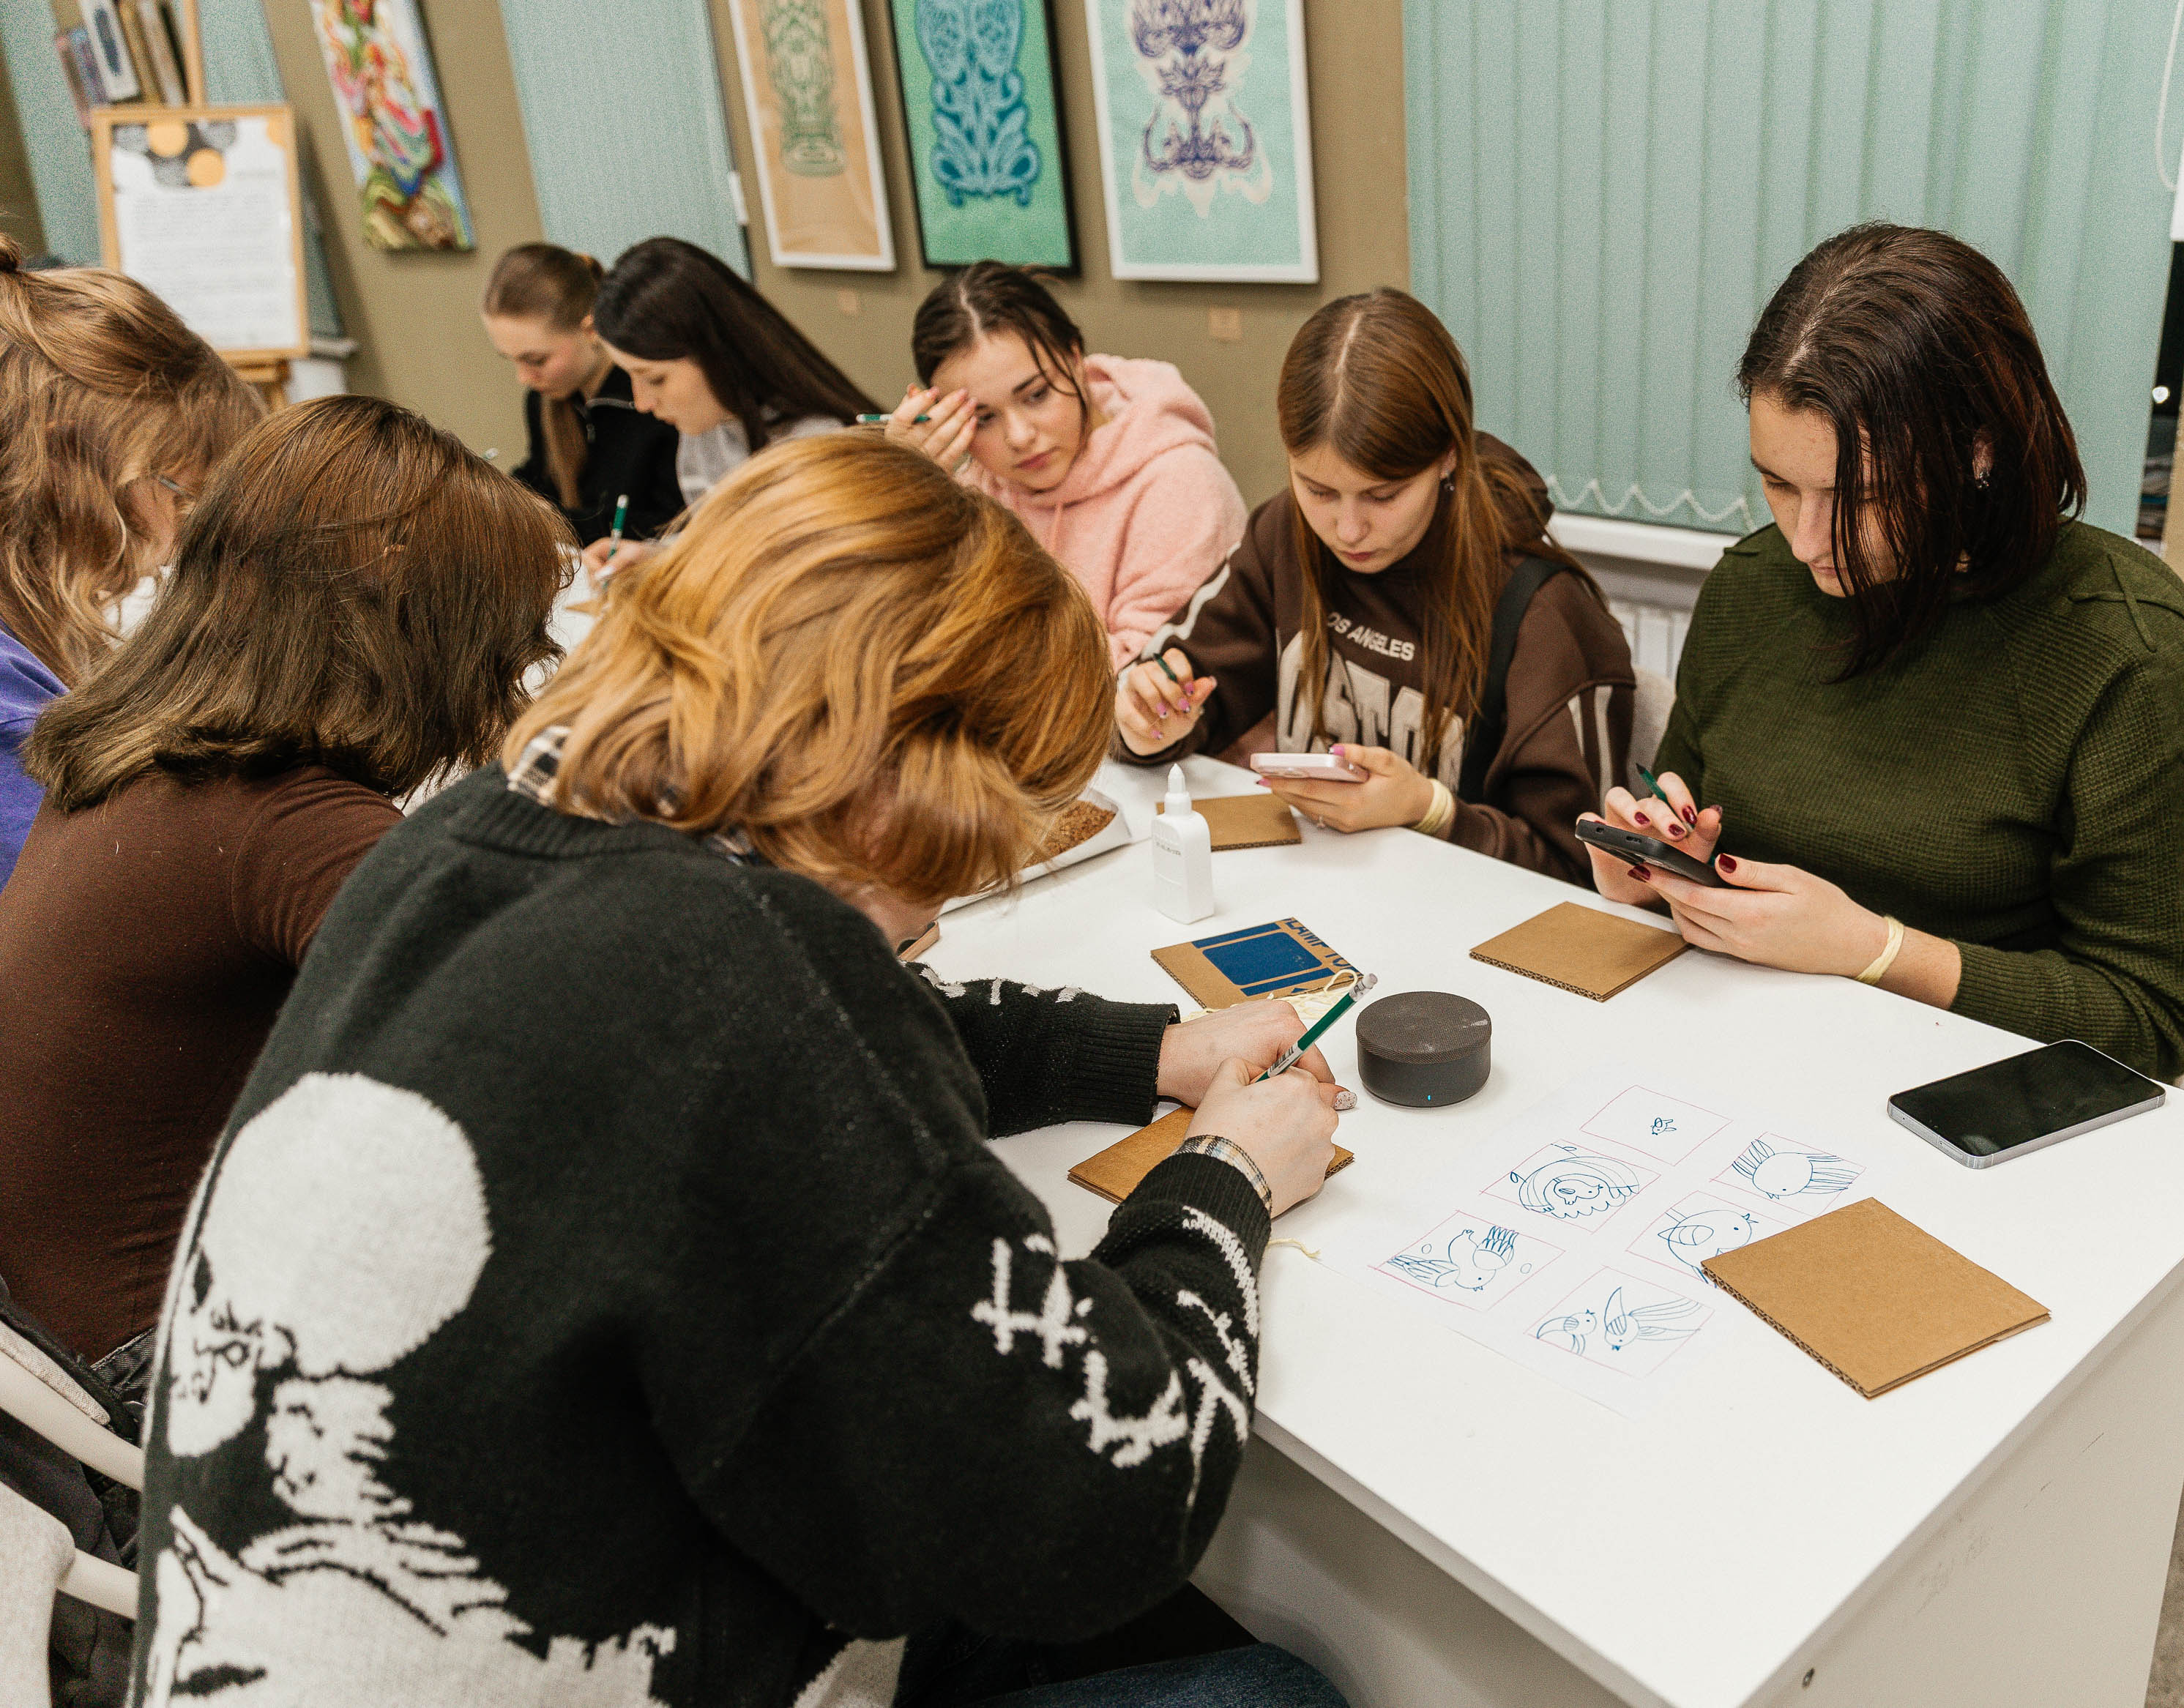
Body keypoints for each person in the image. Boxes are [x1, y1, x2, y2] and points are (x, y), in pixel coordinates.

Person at [124, 433, 1352, 1708]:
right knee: (1276, 1694)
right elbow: (1112, 1498)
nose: (950, 902)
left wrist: (1148, 1051)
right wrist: (1225, 1177)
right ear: (920, 783)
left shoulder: (462, 845)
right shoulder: (752, 991)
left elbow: (806, 1038)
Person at [1582, 224, 2184, 1081]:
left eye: (1859, 496)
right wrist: (1654, 874)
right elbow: (1691, 837)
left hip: (1970, 1093)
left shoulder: (2131, 651)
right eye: (1776, 482)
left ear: (1978, 450)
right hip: (1742, 1055)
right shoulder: (1751, 589)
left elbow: (2149, 1021)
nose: (1804, 541)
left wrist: (1876, 950)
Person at [0, 395, 569, 1370]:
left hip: (57, 1339)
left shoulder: (140, 756)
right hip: (160, 1367)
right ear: (417, 623)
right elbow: (552, 1044)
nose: (513, 679)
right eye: (507, 645)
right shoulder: (283, 820)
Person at [1114, 288, 1635, 885]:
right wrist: (1144, 723)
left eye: (1383, 495)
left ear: (1448, 457)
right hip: (1315, 891)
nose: (1348, 529)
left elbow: (1588, 875)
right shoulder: (1285, 532)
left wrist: (1431, 811)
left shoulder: (1545, 614)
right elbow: (1166, 693)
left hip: (1461, 920)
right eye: (1318, 490)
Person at [0, 231, 260, 886]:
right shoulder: (9, 708)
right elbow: (72, 910)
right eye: (179, 497)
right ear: (68, 466)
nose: (173, 548)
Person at [888, 262, 1248, 668]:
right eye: (983, 418)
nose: (1019, 437)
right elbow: (905, 638)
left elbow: (1151, 674)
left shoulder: (1181, 482)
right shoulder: (975, 486)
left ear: (1077, 359)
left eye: (1037, 395)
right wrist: (909, 499)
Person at [586, 236, 879, 575]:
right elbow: (721, 545)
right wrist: (659, 557)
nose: (642, 403)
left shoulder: (813, 446)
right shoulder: (707, 428)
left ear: (714, 354)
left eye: (655, 379)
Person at [481, 242, 685, 546]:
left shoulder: (653, 400)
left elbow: (676, 524)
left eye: (536, 360)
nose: (524, 378)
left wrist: (551, 520)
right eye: (511, 359)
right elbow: (541, 478)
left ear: (591, 329)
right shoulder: (543, 399)